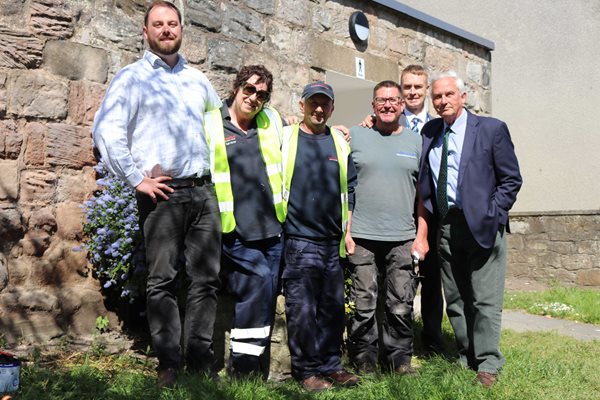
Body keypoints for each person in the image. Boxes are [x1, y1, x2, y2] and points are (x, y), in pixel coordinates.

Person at [92, 0, 222, 388]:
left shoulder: (198, 80)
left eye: (173, 24)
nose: (167, 30)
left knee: (206, 281)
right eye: (158, 25)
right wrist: (136, 179)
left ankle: (199, 358)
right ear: (145, 32)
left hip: (203, 193)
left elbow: (222, 126)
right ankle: (168, 361)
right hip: (161, 196)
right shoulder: (131, 78)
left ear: (182, 29)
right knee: (162, 280)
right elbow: (107, 131)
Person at [414, 71, 522, 388]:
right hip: (446, 226)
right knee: (457, 298)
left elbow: (511, 179)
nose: (443, 100)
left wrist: (494, 212)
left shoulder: (490, 129)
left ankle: (488, 363)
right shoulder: (430, 132)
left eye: (449, 94)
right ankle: (468, 355)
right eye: (437, 96)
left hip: (482, 223)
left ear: (463, 96)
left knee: (485, 299)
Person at [203, 65, 285, 379]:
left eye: (261, 95)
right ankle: (244, 369)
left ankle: (250, 365)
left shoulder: (271, 120)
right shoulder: (212, 123)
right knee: (259, 284)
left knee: (262, 296)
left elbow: (294, 137)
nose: (254, 98)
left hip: (273, 230)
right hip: (235, 232)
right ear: (236, 88)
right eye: (249, 90)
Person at [281, 82, 359, 391]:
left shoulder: (339, 142)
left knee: (332, 309)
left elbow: (350, 188)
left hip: (332, 242)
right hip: (299, 240)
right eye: (313, 102)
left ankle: (331, 366)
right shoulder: (285, 137)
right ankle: (307, 371)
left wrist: (348, 231)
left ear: (332, 108)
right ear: (301, 105)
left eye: (324, 104)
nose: (318, 108)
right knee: (302, 310)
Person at [361, 66, 444, 353]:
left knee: (431, 280)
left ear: (425, 90)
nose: (412, 92)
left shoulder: (436, 126)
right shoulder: (381, 121)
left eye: (418, 87)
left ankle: (431, 341)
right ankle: (381, 345)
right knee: (390, 284)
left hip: (426, 212)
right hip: (391, 212)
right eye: (407, 87)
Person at [346, 80, 426, 375]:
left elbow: (423, 194)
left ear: (403, 105)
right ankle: (364, 360)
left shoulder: (416, 141)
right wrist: (348, 231)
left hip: (403, 236)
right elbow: (346, 188)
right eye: (382, 100)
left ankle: (399, 360)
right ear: (373, 106)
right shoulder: (354, 135)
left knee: (401, 303)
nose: (388, 105)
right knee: (364, 303)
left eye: (394, 100)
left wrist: (421, 235)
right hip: (363, 236)